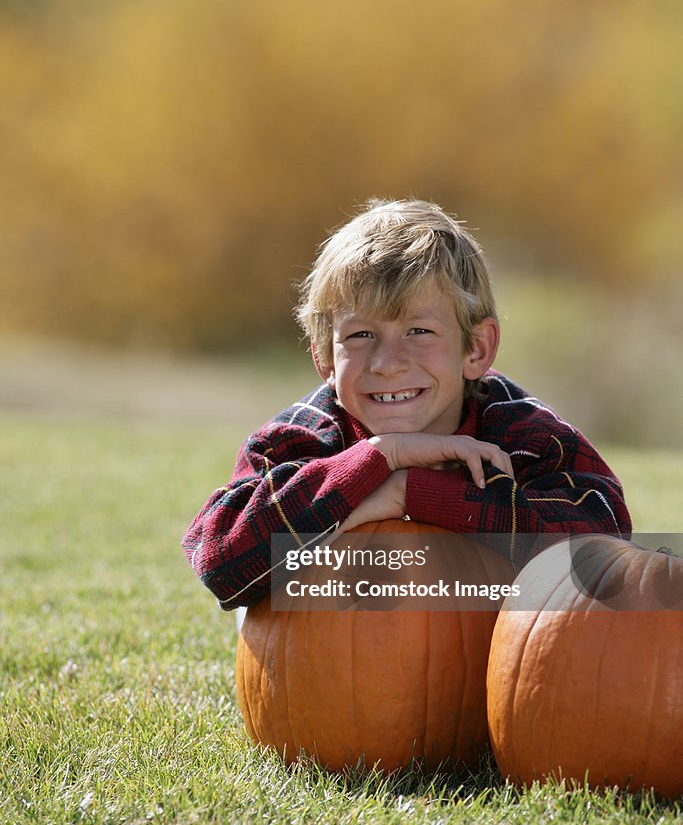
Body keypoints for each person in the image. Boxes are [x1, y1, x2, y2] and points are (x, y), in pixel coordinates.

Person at [181, 198, 632, 612]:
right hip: (328, 677)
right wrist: (381, 456)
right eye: (360, 335)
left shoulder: (528, 437)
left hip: (494, 677)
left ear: (475, 349)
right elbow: (223, 565)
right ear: (323, 356)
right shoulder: (299, 440)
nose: (388, 364)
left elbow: (606, 557)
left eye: (418, 331)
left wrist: (410, 492)